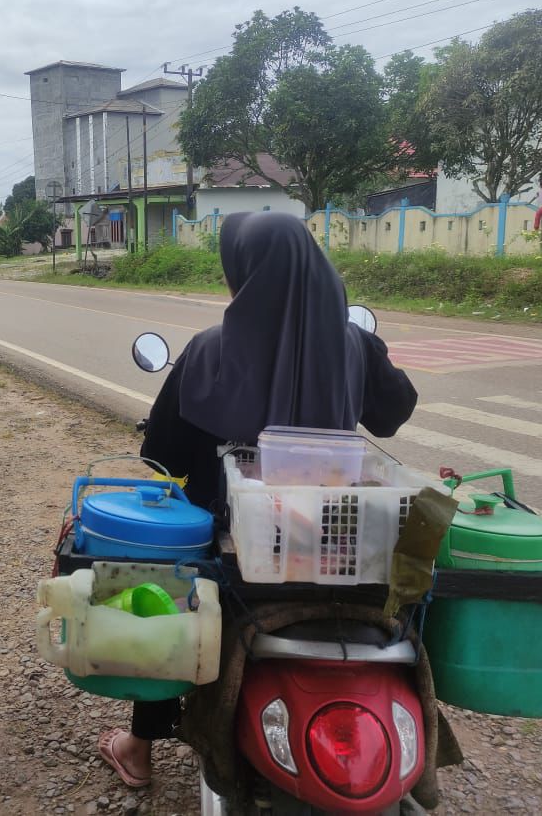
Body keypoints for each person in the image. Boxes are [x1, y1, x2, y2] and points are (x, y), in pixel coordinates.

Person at [97, 211, 418, 787]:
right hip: (336, 539)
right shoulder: (354, 345)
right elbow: (395, 413)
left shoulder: (207, 350)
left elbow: (161, 460)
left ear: (243, 273)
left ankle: (139, 746)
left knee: (170, 591)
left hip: (235, 548)